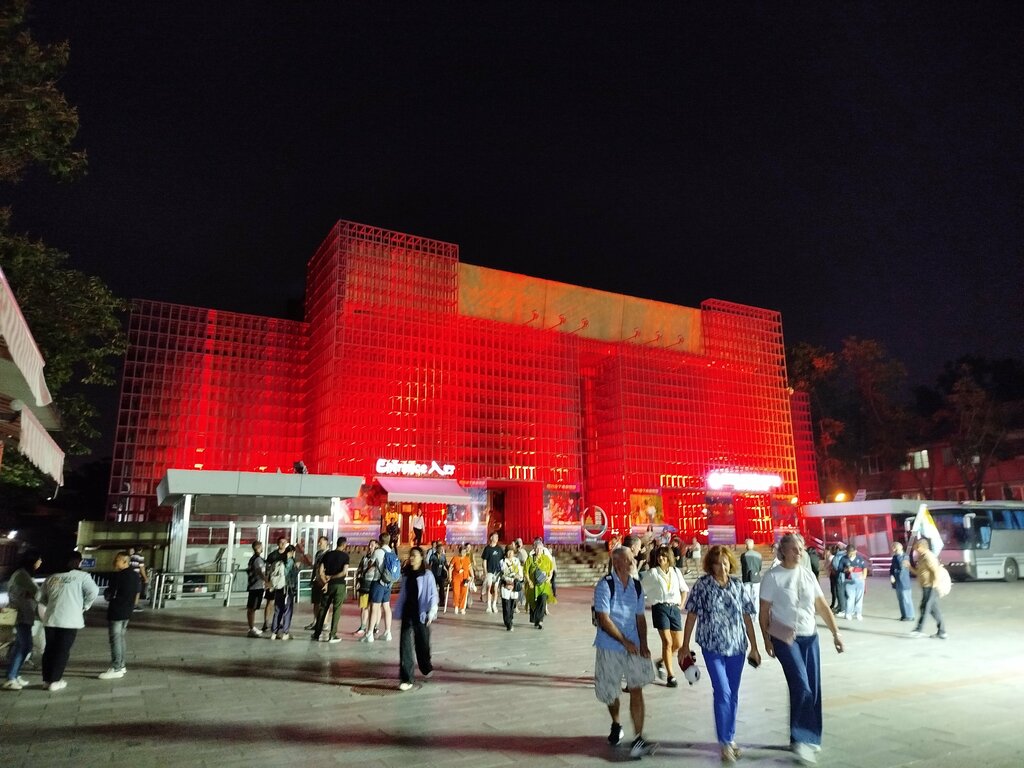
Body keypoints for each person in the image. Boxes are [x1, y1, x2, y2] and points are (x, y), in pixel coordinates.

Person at [758, 533, 844, 765]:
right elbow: (763, 611)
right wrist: (766, 640)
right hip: (785, 638)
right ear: (783, 550)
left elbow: (822, 606)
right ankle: (800, 738)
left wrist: (836, 633)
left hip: (810, 636)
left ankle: (811, 736)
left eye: (801, 549)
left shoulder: (807, 575)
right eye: (794, 549)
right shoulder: (773, 577)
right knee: (802, 686)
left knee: (813, 688)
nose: (799, 553)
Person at [680, 545, 760, 764]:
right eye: (717, 562)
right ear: (710, 565)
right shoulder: (703, 585)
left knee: (733, 693)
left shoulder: (737, 585)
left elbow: (747, 616)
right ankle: (724, 742)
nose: (722, 566)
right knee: (722, 691)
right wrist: (684, 645)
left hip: (737, 646)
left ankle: (730, 738)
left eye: (725, 562)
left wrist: (754, 646)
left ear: (730, 563)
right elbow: (691, 615)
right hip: (712, 646)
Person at [593, 546, 658, 759]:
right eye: (629, 560)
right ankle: (616, 723)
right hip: (610, 646)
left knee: (636, 688)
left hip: (634, 646)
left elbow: (640, 618)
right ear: (618, 562)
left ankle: (638, 737)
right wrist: (624, 640)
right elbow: (603, 618)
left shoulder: (637, 587)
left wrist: (644, 644)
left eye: (633, 560)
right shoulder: (605, 585)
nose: (633, 563)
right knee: (611, 693)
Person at [39, 551, 100, 692]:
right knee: (62, 650)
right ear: (77, 562)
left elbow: (39, 596)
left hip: (51, 619)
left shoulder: (52, 577)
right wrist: (85, 605)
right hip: (70, 619)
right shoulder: (82, 577)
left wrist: (51, 602)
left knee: (49, 650)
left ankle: (47, 680)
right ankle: (56, 680)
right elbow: (93, 591)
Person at [641, 545, 688, 687]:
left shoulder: (675, 572)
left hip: (674, 609)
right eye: (659, 556)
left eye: (664, 555)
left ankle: (661, 661)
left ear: (669, 557)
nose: (661, 558)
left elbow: (684, 589)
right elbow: (641, 587)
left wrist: (681, 605)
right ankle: (671, 675)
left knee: (678, 644)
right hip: (660, 608)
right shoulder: (653, 573)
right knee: (667, 642)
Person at [393, 546, 438, 691]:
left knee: (422, 643)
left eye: (415, 555)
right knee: (405, 645)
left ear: (421, 558)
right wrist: (398, 610)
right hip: (408, 613)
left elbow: (432, 594)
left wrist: (432, 612)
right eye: (411, 555)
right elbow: (403, 595)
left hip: (422, 614)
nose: (412, 558)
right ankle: (407, 677)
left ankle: (425, 665)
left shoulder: (427, 575)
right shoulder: (406, 575)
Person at [99, 551, 142, 679]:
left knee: (115, 639)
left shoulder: (117, 576)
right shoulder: (135, 576)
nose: (114, 562)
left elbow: (109, 594)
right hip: (127, 611)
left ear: (125, 562)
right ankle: (122, 665)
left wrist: (108, 594)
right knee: (121, 638)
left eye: (117, 560)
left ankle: (117, 667)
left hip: (116, 610)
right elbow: (137, 592)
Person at [3, 549, 42, 691]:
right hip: (21, 615)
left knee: (22, 645)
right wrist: (32, 594)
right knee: (25, 646)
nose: (40, 562)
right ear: (32, 561)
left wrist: (30, 594)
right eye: (39, 559)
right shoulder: (22, 574)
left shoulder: (22, 574)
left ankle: (14, 675)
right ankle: (11, 677)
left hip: (24, 614)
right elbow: (38, 592)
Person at [312, 537, 350, 642]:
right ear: (344, 545)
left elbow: (320, 571)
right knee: (337, 609)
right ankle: (332, 635)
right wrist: (333, 577)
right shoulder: (345, 556)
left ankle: (317, 633)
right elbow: (344, 572)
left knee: (323, 608)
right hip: (339, 585)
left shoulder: (327, 555)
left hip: (327, 585)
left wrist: (326, 581)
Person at [909, 539, 947, 639]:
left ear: (921, 547)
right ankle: (942, 632)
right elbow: (919, 572)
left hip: (931, 587)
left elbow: (936, 571)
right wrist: (909, 567)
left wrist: (934, 586)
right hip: (926, 587)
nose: (915, 549)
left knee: (924, 607)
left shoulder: (929, 557)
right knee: (933, 610)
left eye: (916, 547)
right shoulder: (922, 557)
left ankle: (919, 629)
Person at [363, 533, 395, 642]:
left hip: (378, 582)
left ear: (380, 541)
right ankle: (388, 632)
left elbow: (370, 564)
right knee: (387, 607)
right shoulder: (392, 552)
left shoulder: (377, 552)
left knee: (374, 607)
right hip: (388, 583)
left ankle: (370, 633)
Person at [524, 537, 555, 629]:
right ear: (534, 549)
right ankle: (535, 619)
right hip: (533, 585)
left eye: (540, 549)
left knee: (542, 600)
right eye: (536, 548)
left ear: (543, 549)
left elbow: (551, 569)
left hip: (544, 585)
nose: (538, 550)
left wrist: (549, 577)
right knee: (534, 602)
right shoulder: (530, 559)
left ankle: (540, 620)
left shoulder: (546, 559)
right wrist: (529, 581)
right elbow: (525, 571)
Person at [269, 544, 298, 640]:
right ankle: (285, 632)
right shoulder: (291, 562)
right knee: (287, 610)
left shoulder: (279, 560)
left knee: (277, 610)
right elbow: (292, 576)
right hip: (287, 588)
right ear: (292, 552)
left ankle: (274, 632)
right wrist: (297, 568)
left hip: (278, 588)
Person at [353, 539, 379, 637]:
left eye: (372, 545)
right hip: (365, 585)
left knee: (375, 607)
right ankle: (363, 627)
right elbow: (360, 570)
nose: (370, 546)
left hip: (374, 584)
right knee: (364, 607)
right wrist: (358, 581)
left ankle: (375, 627)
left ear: (377, 546)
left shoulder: (379, 559)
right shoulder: (365, 558)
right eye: (369, 545)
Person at [262, 536, 289, 632]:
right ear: (277, 544)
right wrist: (267, 581)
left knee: (281, 604)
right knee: (270, 602)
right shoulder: (273, 555)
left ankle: (278, 622)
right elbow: (267, 568)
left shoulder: (288, 555)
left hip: (283, 583)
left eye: (284, 542)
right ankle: (266, 622)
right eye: (281, 542)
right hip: (273, 582)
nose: (283, 544)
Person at [305, 535, 331, 631]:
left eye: (321, 542)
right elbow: (315, 566)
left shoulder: (329, 554)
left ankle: (324, 622)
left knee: (324, 603)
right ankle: (316, 621)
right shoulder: (318, 553)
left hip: (323, 581)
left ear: (326, 542)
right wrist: (312, 578)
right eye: (319, 542)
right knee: (316, 602)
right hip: (316, 580)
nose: (319, 544)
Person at [839, 543, 868, 620]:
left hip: (859, 580)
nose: (850, 555)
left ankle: (858, 613)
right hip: (849, 581)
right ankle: (848, 613)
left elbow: (864, 567)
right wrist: (846, 569)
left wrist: (864, 576)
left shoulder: (860, 558)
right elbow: (839, 569)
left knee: (859, 598)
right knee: (850, 598)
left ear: (855, 551)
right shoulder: (843, 559)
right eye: (848, 553)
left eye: (852, 553)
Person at [498, 544, 524, 631]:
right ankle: (508, 622)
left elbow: (520, 573)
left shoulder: (516, 561)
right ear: (506, 553)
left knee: (512, 605)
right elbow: (501, 574)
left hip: (514, 586)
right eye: (508, 552)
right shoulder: (502, 562)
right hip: (506, 585)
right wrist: (507, 581)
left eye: (511, 552)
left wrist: (517, 578)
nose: (510, 554)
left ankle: (510, 619)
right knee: (506, 605)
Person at [889, 542, 915, 622]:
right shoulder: (895, 557)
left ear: (898, 548)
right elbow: (892, 568)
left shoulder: (905, 557)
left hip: (904, 582)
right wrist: (891, 575)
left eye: (893, 547)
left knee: (906, 599)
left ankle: (910, 615)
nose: (892, 549)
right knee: (901, 599)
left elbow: (902, 568)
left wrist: (895, 575)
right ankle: (904, 615)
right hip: (897, 582)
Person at [245, 541, 266, 637]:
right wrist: (267, 581)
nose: (262, 548)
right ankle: (251, 628)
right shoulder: (257, 560)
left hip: (254, 586)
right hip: (256, 586)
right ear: (258, 548)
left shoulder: (253, 559)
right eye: (261, 547)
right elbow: (259, 572)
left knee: (252, 608)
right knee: (252, 608)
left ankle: (252, 627)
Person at [481, 531, 504, 613]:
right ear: (491, 538)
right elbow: (484, 561)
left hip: (497, 572)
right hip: (490, 572)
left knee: (496, 588)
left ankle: (494, 605)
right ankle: (489, 606)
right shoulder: (487, 549)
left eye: (497, 537)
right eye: (495, 537)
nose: (497, 538)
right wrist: (485, 571)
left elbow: (502, 560)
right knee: (489, 588)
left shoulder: (499, 549)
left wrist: (502, 570)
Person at [739, 539, 763, 614]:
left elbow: (743, 567)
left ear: (746, 545)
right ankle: (756, 614)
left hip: (746, 578)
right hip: (756, 578)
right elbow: (760, 567)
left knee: (747, 597)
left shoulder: (743, 555)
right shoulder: (759, 555)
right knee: (756, 597)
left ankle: (749, 613)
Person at [448, 543, 473, 614]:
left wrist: (472, 576)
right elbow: (450, 568)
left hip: (465, 578)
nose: (464, 553)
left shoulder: (467, 559)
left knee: (464, 593)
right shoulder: (455, 558)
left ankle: (462, 608)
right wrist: (450, 577)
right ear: (460, 552)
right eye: (462, 552)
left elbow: (470, 568)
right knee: (456, 592)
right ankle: (456, 606)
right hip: (456, 578)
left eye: (465, 552)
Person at [128, 545, 148, 611]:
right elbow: (141, 568)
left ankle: (129, 604)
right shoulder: (140, 556)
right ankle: (134, 606)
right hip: (136, 575)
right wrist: (145, 577)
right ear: (141, 550)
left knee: (130, 590)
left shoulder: (131, 556)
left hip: (129, 575)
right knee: (137, 590)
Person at [829, 545, 847, 617]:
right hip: (845, 577)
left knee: (840, 593)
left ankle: (842, 609)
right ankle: (840, 607)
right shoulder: (844, 555)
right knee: (843, 593)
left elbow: (836, 567)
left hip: (839, 577)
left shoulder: (837, 556)